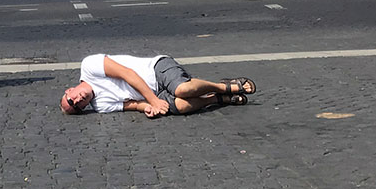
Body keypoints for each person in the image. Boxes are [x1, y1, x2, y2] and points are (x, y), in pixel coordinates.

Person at [60, 54, 256, 116]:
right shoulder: (100, 106)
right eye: (77, 106)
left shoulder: (89, 66)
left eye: (72, 98)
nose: (78, 100)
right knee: (179, 107)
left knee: (182, 89)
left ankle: (223, 86)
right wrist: (149, 108)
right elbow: (132, 105)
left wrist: (153, 100)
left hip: (155, 69)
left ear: (70, 89)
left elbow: (128, 74)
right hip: (151, 95)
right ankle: (217, 99)